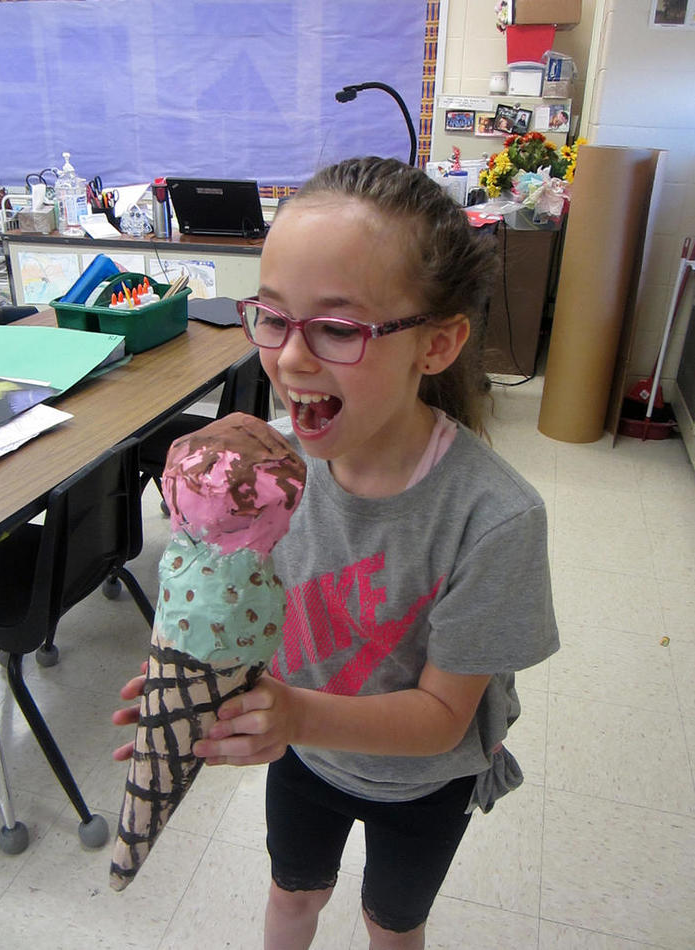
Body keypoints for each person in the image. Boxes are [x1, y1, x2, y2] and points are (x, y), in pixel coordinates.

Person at [114, 156, 559, 950]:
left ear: (437, 343)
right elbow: (248, 617)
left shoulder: (494, 519)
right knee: (292, 901)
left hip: (423, 785)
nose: (287, 358)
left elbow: (438, 720)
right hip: (307, 763)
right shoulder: (263, 480)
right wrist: (206, 687)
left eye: (337, 327)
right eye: (274, 317)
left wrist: (290, 714)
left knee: (390, 927)